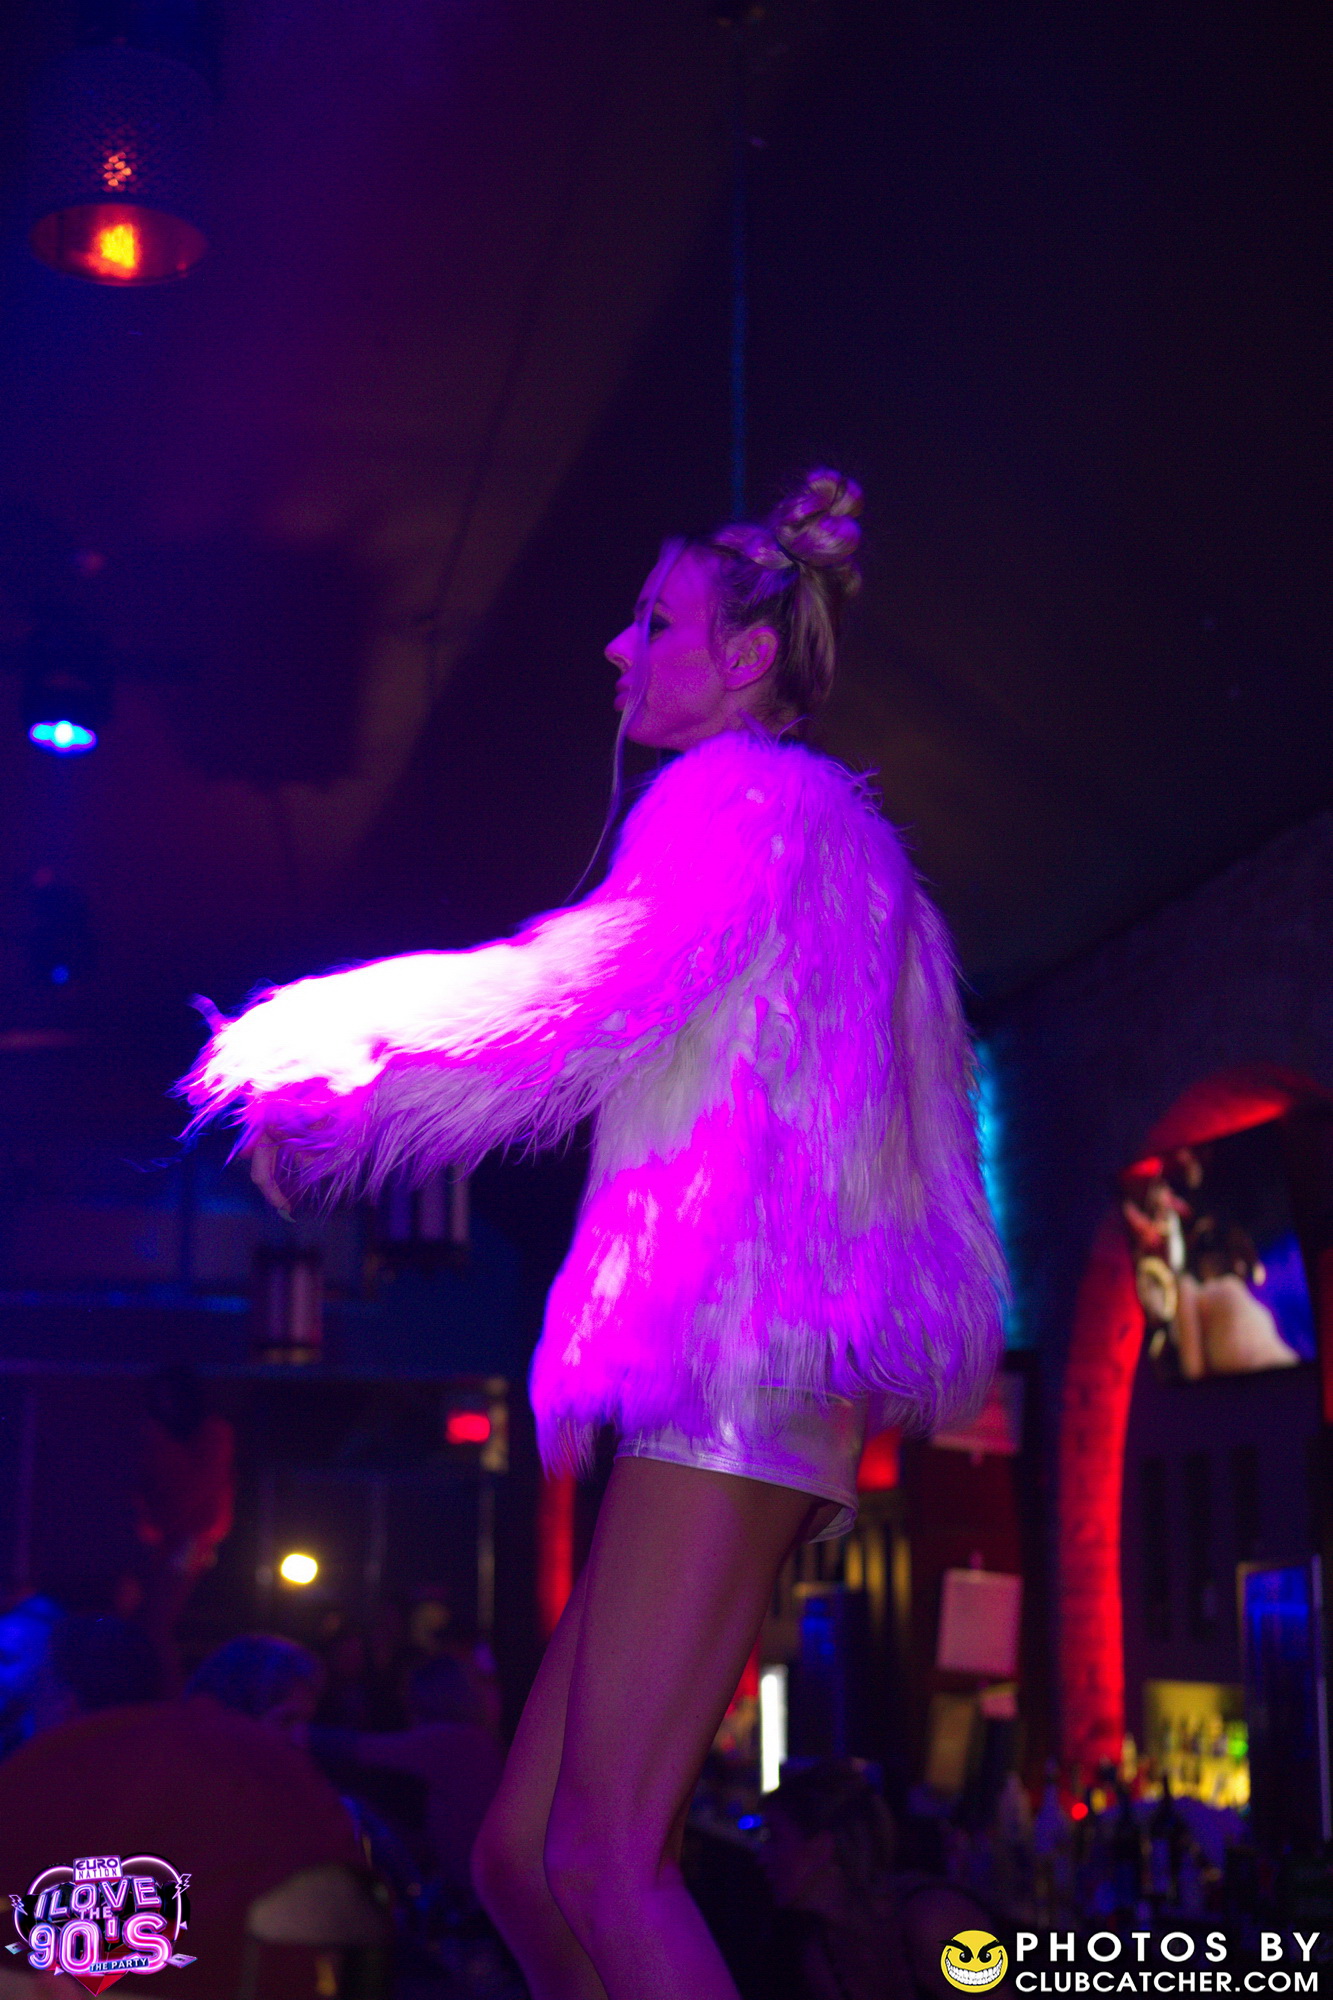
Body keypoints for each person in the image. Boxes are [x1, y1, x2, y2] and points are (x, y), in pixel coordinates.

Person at [183, 468, 1005, 2000]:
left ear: (744, 656)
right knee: (520, 1856)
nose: (618, 651)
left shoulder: (743, 806)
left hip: (741, 1361)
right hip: (749, 1362)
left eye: (654, 623)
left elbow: (584, 1000)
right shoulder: (821, 840)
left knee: (600, 1859)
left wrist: (333, 1059)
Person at [762, 1761, 1001, 2000]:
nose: (762, 1856)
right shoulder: (821, 1955)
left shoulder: (934, 1920)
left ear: (822, 1847)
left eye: (774, 1837)